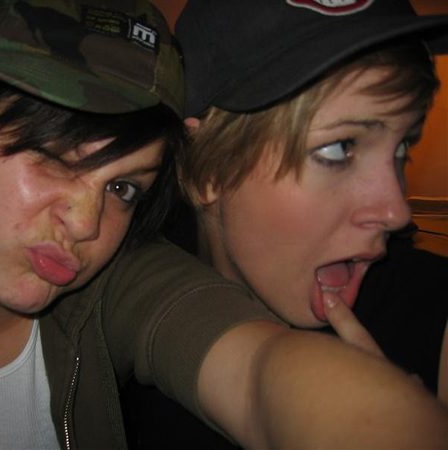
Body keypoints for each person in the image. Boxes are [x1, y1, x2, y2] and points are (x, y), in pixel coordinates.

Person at [0, 1, 448, 450]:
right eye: (53, 155)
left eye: (123, 188)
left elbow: (249, 369)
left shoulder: (124, 276)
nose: (87, 224)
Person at [122, 0, 448, 448]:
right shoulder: (114, 296)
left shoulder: (429, 304)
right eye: (338, 149)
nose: (396, 211)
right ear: (207, 169)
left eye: (401, 148)